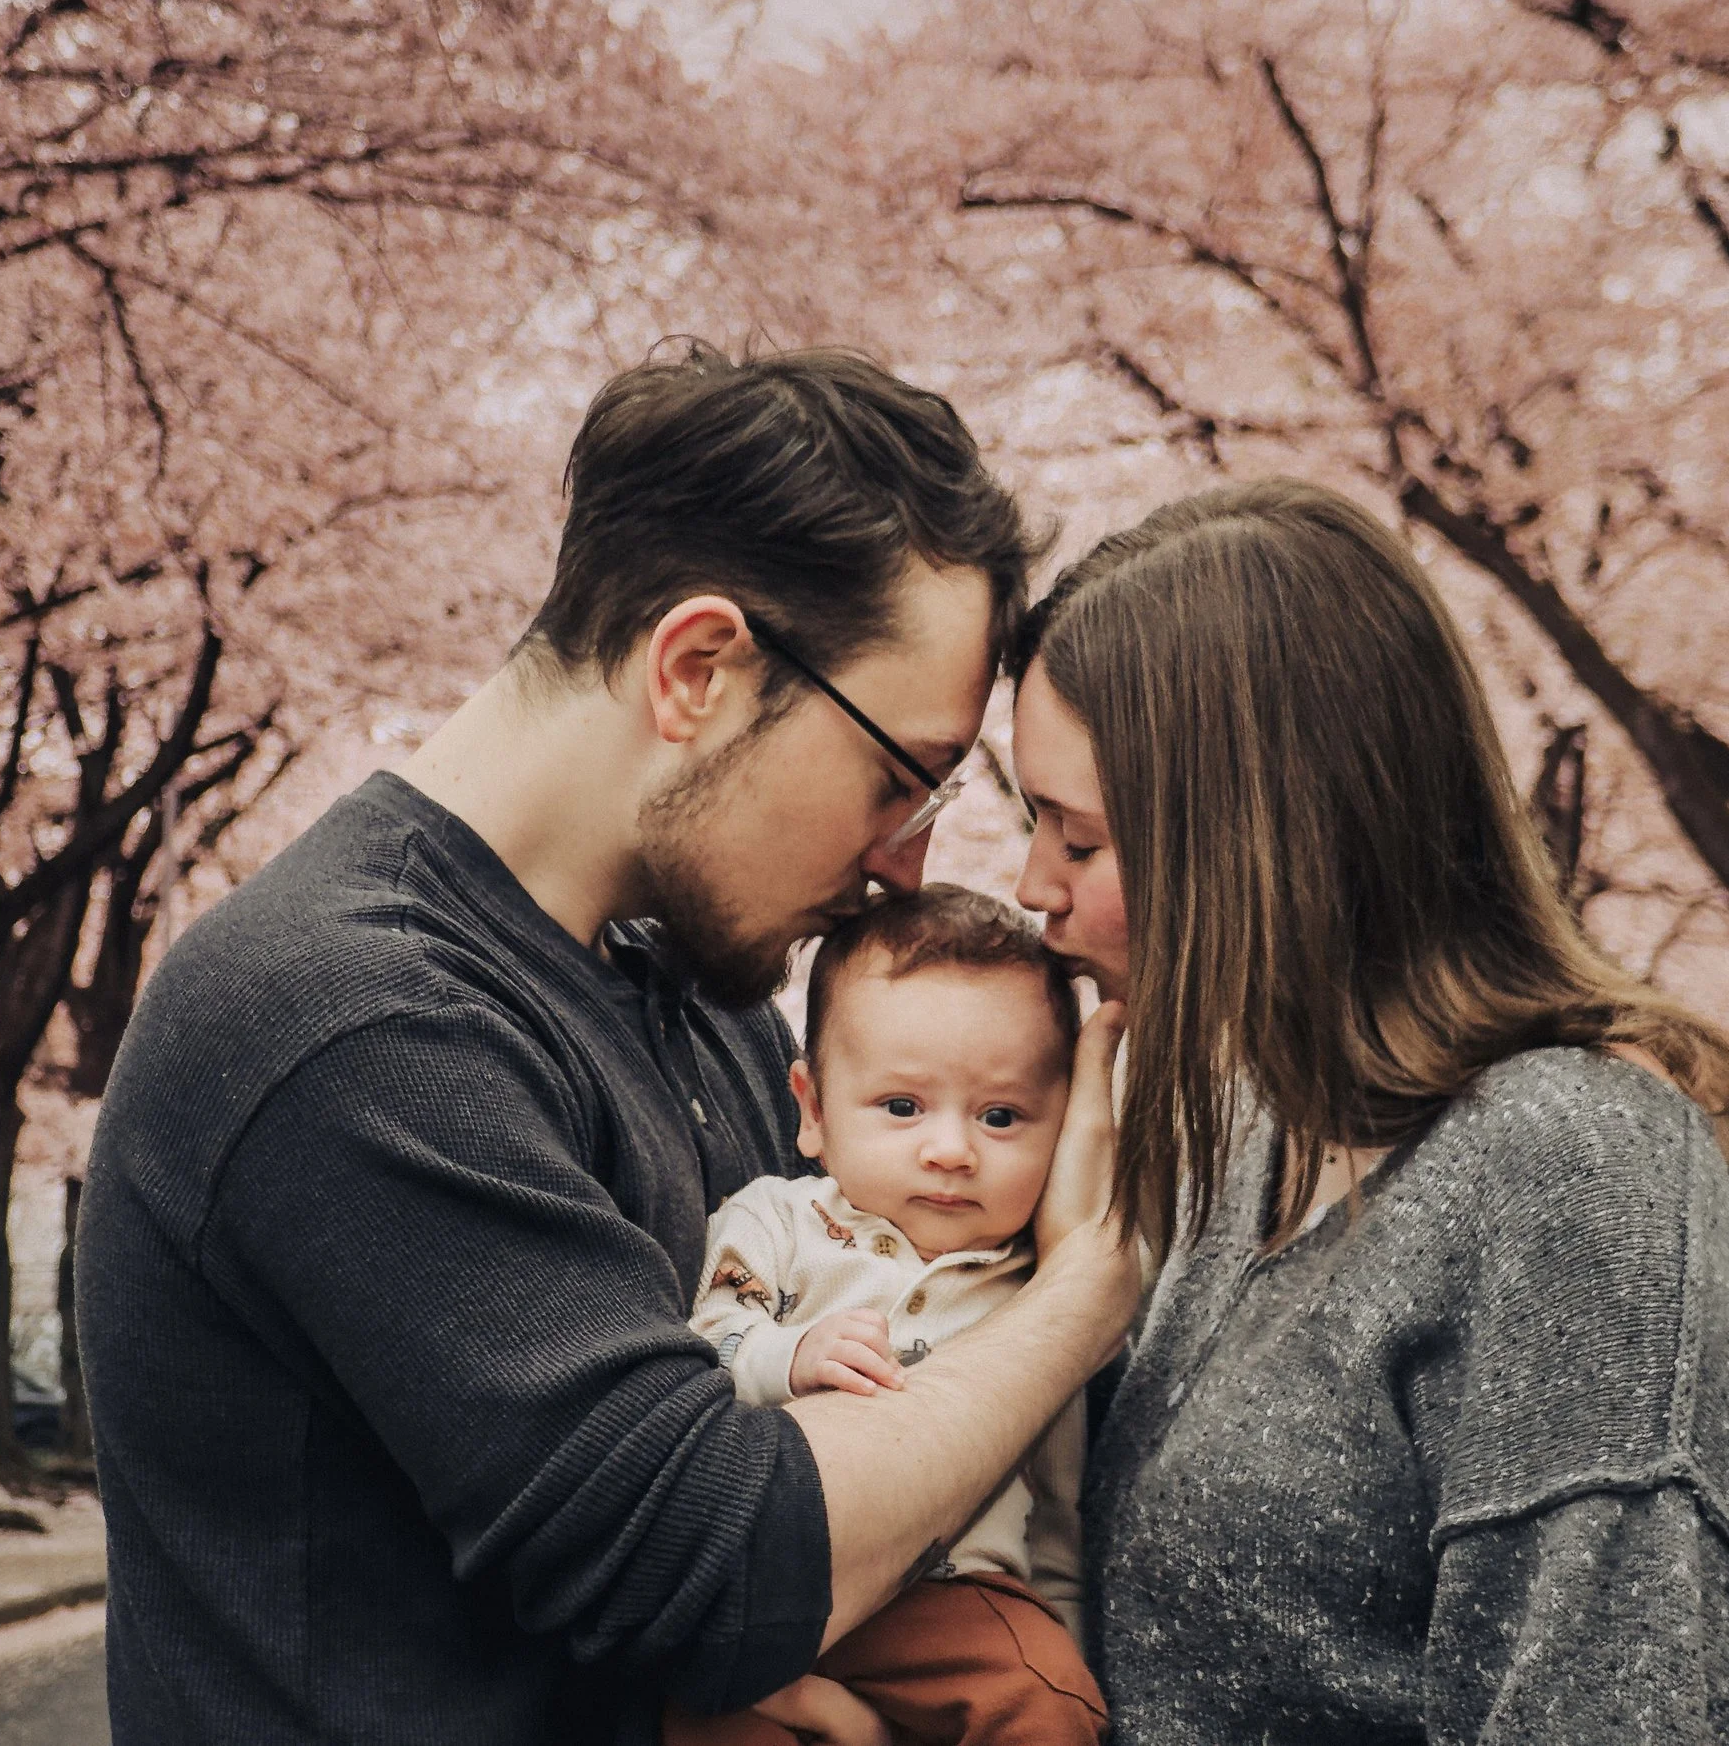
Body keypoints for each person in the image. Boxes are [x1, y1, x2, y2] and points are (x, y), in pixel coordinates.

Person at [76, 344, 1137, 1746]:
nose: (907, 862)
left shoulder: (702, 1002)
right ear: (699, 666)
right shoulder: (349, 1020)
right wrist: (1084, 1284)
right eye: (899, 776)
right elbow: (718, 1567)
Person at [1007, 479, 1729, 1744]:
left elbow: (1627, 1703)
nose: (1032, 891)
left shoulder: (1573, 1169)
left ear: (1256, 837)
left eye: (1077, 840)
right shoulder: (1244, 1138)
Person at [667, 885, 1105, 1746]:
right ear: (814, 1109)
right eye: (902, 1107)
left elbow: (1058, 1510)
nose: (950, 1148)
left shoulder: (1035, 1295)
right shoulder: (779, 1221)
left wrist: (1066, 1645)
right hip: (778, 1577)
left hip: (952, 1603)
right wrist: (790, 1355)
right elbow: (703, 1341)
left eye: (1002, 1116)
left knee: (1045, 1705)